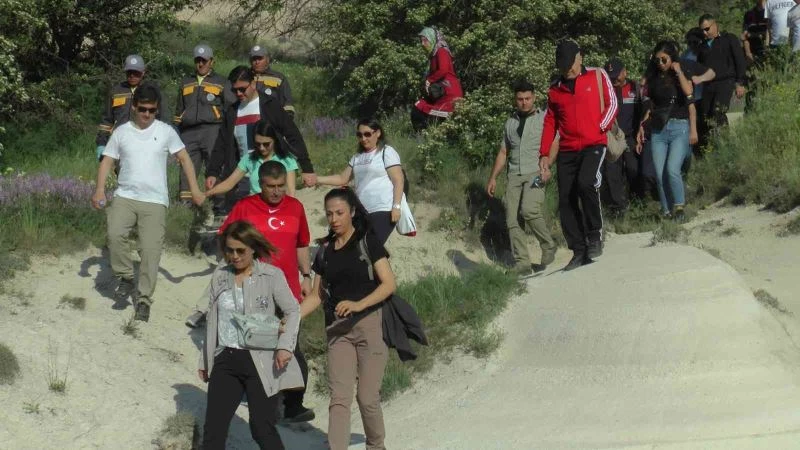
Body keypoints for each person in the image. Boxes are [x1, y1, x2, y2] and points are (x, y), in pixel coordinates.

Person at [192, 160, 315, 422]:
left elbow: (302, 243)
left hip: (287, 288)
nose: (276, 191)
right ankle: (259, 398)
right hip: (253, 289)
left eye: (281, 186)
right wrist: (232, 269)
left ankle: (293, 405)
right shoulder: (245, 207)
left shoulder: (296, 207)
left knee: (292, 346)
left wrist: (306, 276)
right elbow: (226, 237)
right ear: (261, 184)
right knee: (254, 344)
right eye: (271, 186)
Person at [91, 84, 204, 321]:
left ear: (157, 109)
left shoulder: (166, 131)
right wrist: (99, 190)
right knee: (114, 234)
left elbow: (185, 158)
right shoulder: (121, 132)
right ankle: (126, 275)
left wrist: (194, 189)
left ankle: (143, 299)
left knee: (150, 251)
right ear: (134, 107)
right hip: (125, 196)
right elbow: (107, 161)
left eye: (152, 110)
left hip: (155, 200)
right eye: (143, 109)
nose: (147, 114)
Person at [300, 187, 396, 450]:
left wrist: (358, 305)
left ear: (352, 212)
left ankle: (376, 445)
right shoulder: (324, 250)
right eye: (329, 214)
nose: (334, 219)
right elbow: (317, 296)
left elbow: (389, 284)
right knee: (339, 398)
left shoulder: (367, 242)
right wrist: (291, 319)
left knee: (367, 398)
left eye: (339, 213)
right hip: (338, 331)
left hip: (370, 325)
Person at [198, 220, 303, 449]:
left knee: (261, 428)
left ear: (253, 248)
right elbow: (212, 319)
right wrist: (205, 360)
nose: (234, 256)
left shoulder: (271, 275)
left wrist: (285, 346)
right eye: (229, 250)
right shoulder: (220, 275)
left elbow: (293, 310)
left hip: (262, 361)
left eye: (240, 250)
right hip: (225, 359)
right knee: (213, 430)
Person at [538, 40, 618, 271]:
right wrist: (544, 153)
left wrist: (600, 127)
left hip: (594, 143)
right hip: (567, 148)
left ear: (580, 57)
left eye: (570, 64)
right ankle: (579, 250)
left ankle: (595, 234)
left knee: (586, 183)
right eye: (563, 66)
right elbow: (550, 121)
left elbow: (612, 104)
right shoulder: (555, 89)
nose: (568, 70)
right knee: (565, 199)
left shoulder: (597, 76)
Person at [206, 66, 316, 217]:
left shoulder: (270, 105)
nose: (238, 94)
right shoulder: (232, 111)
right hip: (242, 175)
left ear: (253, 83)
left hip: (270, 176)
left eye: (242, 89)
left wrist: (307, 168)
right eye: (234, 90)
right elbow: (222, 144)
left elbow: (293, 135)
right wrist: (213, 172)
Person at [486, 80, 558, 278]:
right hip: (514, 175)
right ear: (515, 100)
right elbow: (503, 152)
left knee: (529, 209)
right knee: (512, 219)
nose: (524, 102)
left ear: (534, 98)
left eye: (527, 98)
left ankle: (548, 245)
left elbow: (554, 143)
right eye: (520, 99)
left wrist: (548, 165)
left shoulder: (544, 118)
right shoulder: (510, 123)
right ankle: (522, 263)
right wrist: (493, 178)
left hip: (536, 172)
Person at [636, 41, 708, 222]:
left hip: (679, 126)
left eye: (664, 59)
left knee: (672, 169)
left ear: (672, 58)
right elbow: (648, 102)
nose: (660, 63)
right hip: (659, 129)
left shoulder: (680, 72)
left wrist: (679, 71)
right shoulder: (653, 77)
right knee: (660, 174)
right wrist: (642, 126)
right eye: (657, 60)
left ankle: (679, 207)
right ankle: (666, 211)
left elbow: (689, 95)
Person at [316, 118, 405, 244]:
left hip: (383, 209)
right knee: (355, 245)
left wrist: (396, 206)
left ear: (378, 133)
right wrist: (317, 179)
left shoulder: (386, 152)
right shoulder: (357, 157)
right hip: (361, 210)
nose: (363, 138)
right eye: (360, 135)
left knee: (372, 245)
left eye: (367, 134)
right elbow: (342, 178)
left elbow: (398, 180)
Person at [173, 44, 231, 206]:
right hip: (188, 132)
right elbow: (179, 111)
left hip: (213, 130)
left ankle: (218, 205)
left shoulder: (221, 82)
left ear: (211, 61)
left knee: (215, 167)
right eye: (198, 60)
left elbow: (229, 109)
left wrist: (227, 132)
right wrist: (176, 133)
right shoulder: (186, 82)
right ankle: (185, 207)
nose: (200, 64)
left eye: (204, 61)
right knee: (187, 169)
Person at [204, 120, 298, 198]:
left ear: (275, 140)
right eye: (258, 144)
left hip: (278, 205)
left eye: (266, 144)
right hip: (255, 206)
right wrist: (207, 193)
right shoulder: (249, 158)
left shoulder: (287, 160)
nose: (261, 148)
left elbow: (290, 192)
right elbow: (229, 183)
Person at [95, 54, 162, 161]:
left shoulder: (151, 90)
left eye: (136, 73)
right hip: (120, 143)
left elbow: (160, 118)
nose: (132, 75)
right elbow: (106, 120)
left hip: (145, 142)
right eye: (129, 72)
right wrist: (101, 143)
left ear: (143, 72)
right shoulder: (115, 91)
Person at [600, 58, 643, 214]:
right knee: (612, 172)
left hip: (631, 137)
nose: (614, 79)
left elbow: (644, 111)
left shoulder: (635, 88)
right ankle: (619, 207)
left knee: (633, 169)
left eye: (617, 75)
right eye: (610, 76)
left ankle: (638, 201)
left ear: (624, 72)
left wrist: (641, 132)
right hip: (612, 138)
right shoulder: (604, 90)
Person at [697, 14, 748, 142]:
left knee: (718, 112)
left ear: (715, 25)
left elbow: (740, 61)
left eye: (707, 29)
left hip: (726, 82)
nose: (704, 32)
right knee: (706, 116)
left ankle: (724, 142)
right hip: (708, 85)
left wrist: (740, 83)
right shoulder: (701, 46)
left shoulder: (729, 39)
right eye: (702, 30)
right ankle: (709, 146)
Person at [411, 27, 463, 131]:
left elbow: (443, 70)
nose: (422, 44)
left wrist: (429, 80)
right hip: (440, 93)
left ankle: (428, 136)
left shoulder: (441, 51)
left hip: (449, 94)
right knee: (418, 108)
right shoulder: (433, 55)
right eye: (421, 41)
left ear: (432, 39)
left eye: (425, 40)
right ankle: (423, 136)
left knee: (437, 119)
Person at [250, 45, 296, 118]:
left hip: (273, 120)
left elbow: (287, 104)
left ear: (267, 59)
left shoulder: (279, 78)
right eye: (254, 59)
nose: (257, 62)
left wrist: (287, 119)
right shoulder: (245, 77)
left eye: (260, 58)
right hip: (250, 119)